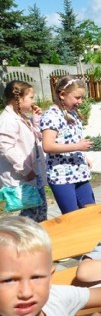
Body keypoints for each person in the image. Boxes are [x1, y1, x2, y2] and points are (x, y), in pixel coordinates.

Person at [40, 76, 95, 214]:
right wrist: (77, 147)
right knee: (72, 217)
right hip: (62, 176)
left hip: (79, 171)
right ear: (62, 95)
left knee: (91, 211)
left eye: (82, 97)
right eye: (77, 97)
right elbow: (48, 146)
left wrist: (83, 156)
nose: (80, 101)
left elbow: (71, 138)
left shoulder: (72, 113)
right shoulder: (51, 116)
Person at [0, 81, 47, 222]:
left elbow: (35, 138)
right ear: (19, 98)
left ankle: (40, 240)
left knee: (40, 212)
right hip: (24, 176)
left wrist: (36, 121)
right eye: (31, 97)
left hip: (34, 173)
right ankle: (22, 241)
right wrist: (26, 171)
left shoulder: (21, 117)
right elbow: (6, 148)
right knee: (29, 217)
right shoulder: (7, 120)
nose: (34, 101)